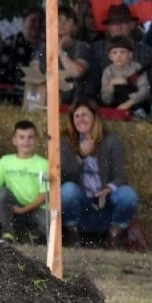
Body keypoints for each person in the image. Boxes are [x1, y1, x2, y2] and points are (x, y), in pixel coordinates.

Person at [60, 102, 138, 247]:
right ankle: (73, 235)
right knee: (68, 190)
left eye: (84, 115)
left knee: (129, 195)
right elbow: (63, 177)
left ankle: (115, 235)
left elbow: (120, 175)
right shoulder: (67, 142)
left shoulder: (111, 140)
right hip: (81, 203)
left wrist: (106, 190)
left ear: (95, 117)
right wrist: (81, 155)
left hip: (105, 202)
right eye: (76, 116)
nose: (80, 119)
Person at [0, 120, 51, 243]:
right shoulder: (5, 161)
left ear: (36, 140)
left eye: (30, 137)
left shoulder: (44, 164)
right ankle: (8, 233)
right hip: (14, 207)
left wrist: (24, 209)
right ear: (14, 140)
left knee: (48, 221)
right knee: (1, 193)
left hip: (36, 208)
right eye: (22, 137)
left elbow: (45, 194)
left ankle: (34, 235)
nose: (26, 141)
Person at [98, 37, 150, 119]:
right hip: (116, 103)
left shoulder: (137, 68)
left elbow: (145, 91)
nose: (119, 56)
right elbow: (106, 99)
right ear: (110, 56)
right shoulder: (108, 72)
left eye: (122, 52)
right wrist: (111, 84)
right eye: (114, 53)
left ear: (130, 54)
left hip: (134, 102)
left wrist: (128, 104)